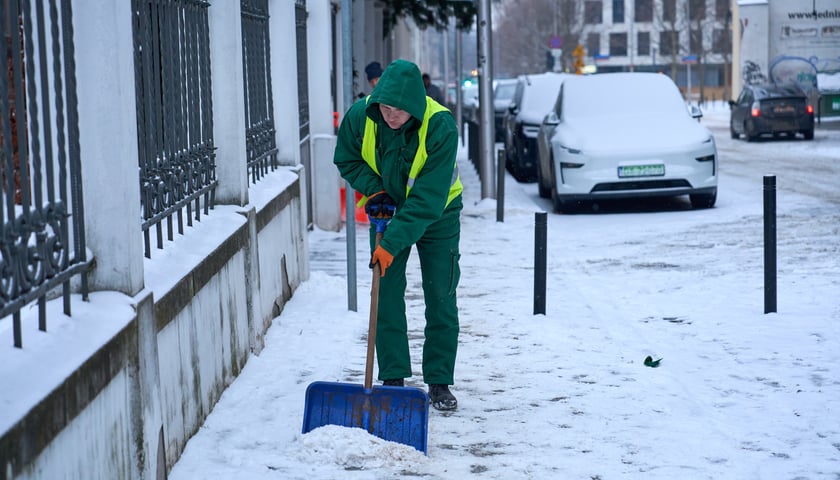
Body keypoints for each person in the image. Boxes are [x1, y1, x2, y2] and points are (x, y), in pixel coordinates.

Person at [333, 59, 463, 411]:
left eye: (400, 111)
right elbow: (346, 158)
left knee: (441, 293)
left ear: (416, 108)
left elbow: (427, 199)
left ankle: (439, 381)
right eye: (386, 107)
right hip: (387, 211)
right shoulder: (362, 115)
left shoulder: (440, 126)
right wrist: (374, 192)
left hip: (438, 214)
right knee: (386, 291)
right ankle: (393, 376)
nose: (391, 116)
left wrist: (390, 244)